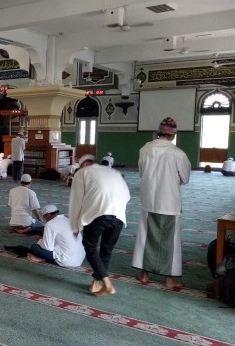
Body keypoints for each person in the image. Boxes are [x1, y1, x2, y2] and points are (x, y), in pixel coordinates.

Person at [132, 117, 191, 289]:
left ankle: (144, 275)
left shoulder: (145, 149)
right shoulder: (178, 154)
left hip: (148, 200)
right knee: (169, 240)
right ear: (173, 135)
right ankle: (169, 279)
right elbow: (185, 178)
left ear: (158, 133)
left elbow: (142, 173)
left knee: (146, 237)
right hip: (169, 202)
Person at [69, 154, 130, 296]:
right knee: (106, 250)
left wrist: (74, 226)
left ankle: (108, 285)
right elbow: (127, 195)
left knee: (90, 246)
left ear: (83, 165)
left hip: (98, 214)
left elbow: (75, 202)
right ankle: (95, 284)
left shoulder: (82, 173)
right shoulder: (113, 172)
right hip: (119, 216)